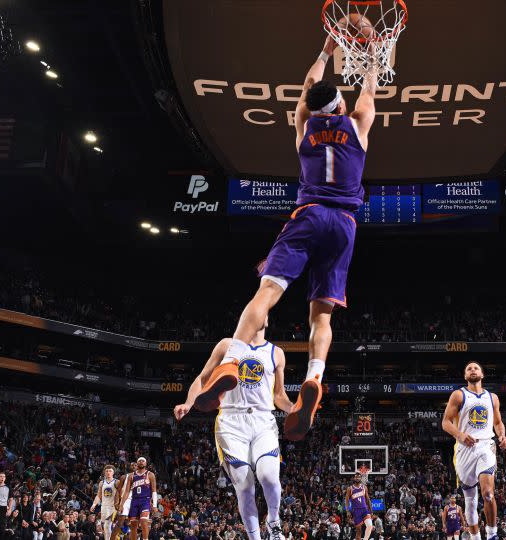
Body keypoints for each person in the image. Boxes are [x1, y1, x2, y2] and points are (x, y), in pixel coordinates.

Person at [191, 32, 378, 442]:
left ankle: (233, 359)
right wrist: (371, 49)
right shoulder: (359, 123)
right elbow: (370, 84)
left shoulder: (304, 126)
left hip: (307, 215)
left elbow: (308, 88)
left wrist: (326, 50)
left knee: (266, 293)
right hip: (344, 224)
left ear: (311, 108)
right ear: (342, 106)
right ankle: (314, 377)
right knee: (322, 314)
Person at [175, 322, 294, 540]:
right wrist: (188, 403)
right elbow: (202, 378)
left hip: (263, 420)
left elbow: (279, 396)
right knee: (245, 485)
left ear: (267, 318)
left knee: (268, 476)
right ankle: (254, 537)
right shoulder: (227, 345)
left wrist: (294, 409)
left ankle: (274, 521)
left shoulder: (276, 353)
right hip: (231, 421)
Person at [442, 362, 506, 540]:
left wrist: (502, 435)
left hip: (485, 445)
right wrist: (461, 435)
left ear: (482, 374)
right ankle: (475, 536)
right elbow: (446, 422)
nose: (473, 370)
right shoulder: (458, 395)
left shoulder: (492, 397)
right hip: (464, 449)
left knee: (488, 494)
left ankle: (492, 534)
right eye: (469, 369)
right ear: (465, 376)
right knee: (470, 500)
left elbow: (497, 422)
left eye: (476, 368)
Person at [123, 458, 157, 540]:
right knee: (133, 525)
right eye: (139, 461)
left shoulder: (150, 474)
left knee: (143, 520)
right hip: (134, 501)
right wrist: (122, 504)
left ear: (146, 463)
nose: (141, 462)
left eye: (143, 461)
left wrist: (155, 505)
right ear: (137, 463)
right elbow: (127, 492)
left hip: (145, 500)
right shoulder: (131, 476)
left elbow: (154, 491)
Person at [90, 465, 119, 540]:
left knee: (107, 525)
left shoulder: (117, 482)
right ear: (104, 473)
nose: (108, 472)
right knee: (105, 526)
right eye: (106, 471)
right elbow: (98, 495)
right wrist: (94, 504)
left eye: (110, 471)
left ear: (113, 472)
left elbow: (121, 494)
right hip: (104, 506)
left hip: (113, 506)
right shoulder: (101, 483)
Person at [345, 473, 374, 540]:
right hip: (356, 510)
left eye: (359, 477)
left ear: (361, 478)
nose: (357, 478)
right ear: (354, 478)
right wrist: (347, 511)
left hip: (365, 509)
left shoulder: (364, 487)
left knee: (370, 525)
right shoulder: (350, 488)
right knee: (359, 531)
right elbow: (346, 501)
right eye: (356, 477)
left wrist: (371, 510)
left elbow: (368, 499)